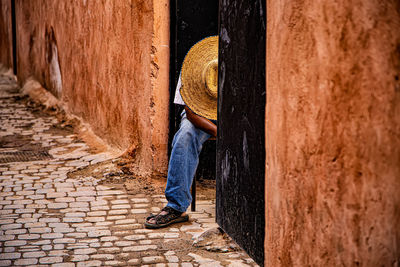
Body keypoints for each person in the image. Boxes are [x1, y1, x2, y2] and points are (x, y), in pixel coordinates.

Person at [145, 36, 218, 229]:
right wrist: (219, 132)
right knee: (185, 134)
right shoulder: (192, 69)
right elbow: (192, 114)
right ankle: (176, 207)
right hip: (202, 117)